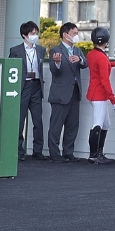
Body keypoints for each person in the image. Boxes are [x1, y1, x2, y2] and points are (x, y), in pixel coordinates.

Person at [47, 22, 88, 162]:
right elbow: (54, 70)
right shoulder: (55, 50)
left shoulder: (77, 50)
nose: (76, 36)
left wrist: (80, 59)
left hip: (75, 92)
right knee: (56, 125)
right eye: (74, 33)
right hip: (60, 93)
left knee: (72, 124)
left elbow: (85, 64)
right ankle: (54, 153)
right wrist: (57, 63)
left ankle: (68, 151)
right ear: (65, 34)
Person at [9, 21, 47, 161]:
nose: (35, 36)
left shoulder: (41, 50)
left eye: (36, 33)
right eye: (32, 33)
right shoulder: (16, 50)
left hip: (36, 85)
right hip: (23, 86)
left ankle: (38, 150)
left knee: (38, 120)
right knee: (20, 120)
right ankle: (18, 150)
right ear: (24, 35)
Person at [86, 27, 115, 164]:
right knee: (97, 125)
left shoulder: (92, 54)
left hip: (93, 93)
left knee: (106, 124)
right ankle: (94, 156)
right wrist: (113, 99)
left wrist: (113, 64)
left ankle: (98, 153)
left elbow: (100, 66)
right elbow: (105, 80)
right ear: (106, 41)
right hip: (99, 95)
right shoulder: (101, 57)